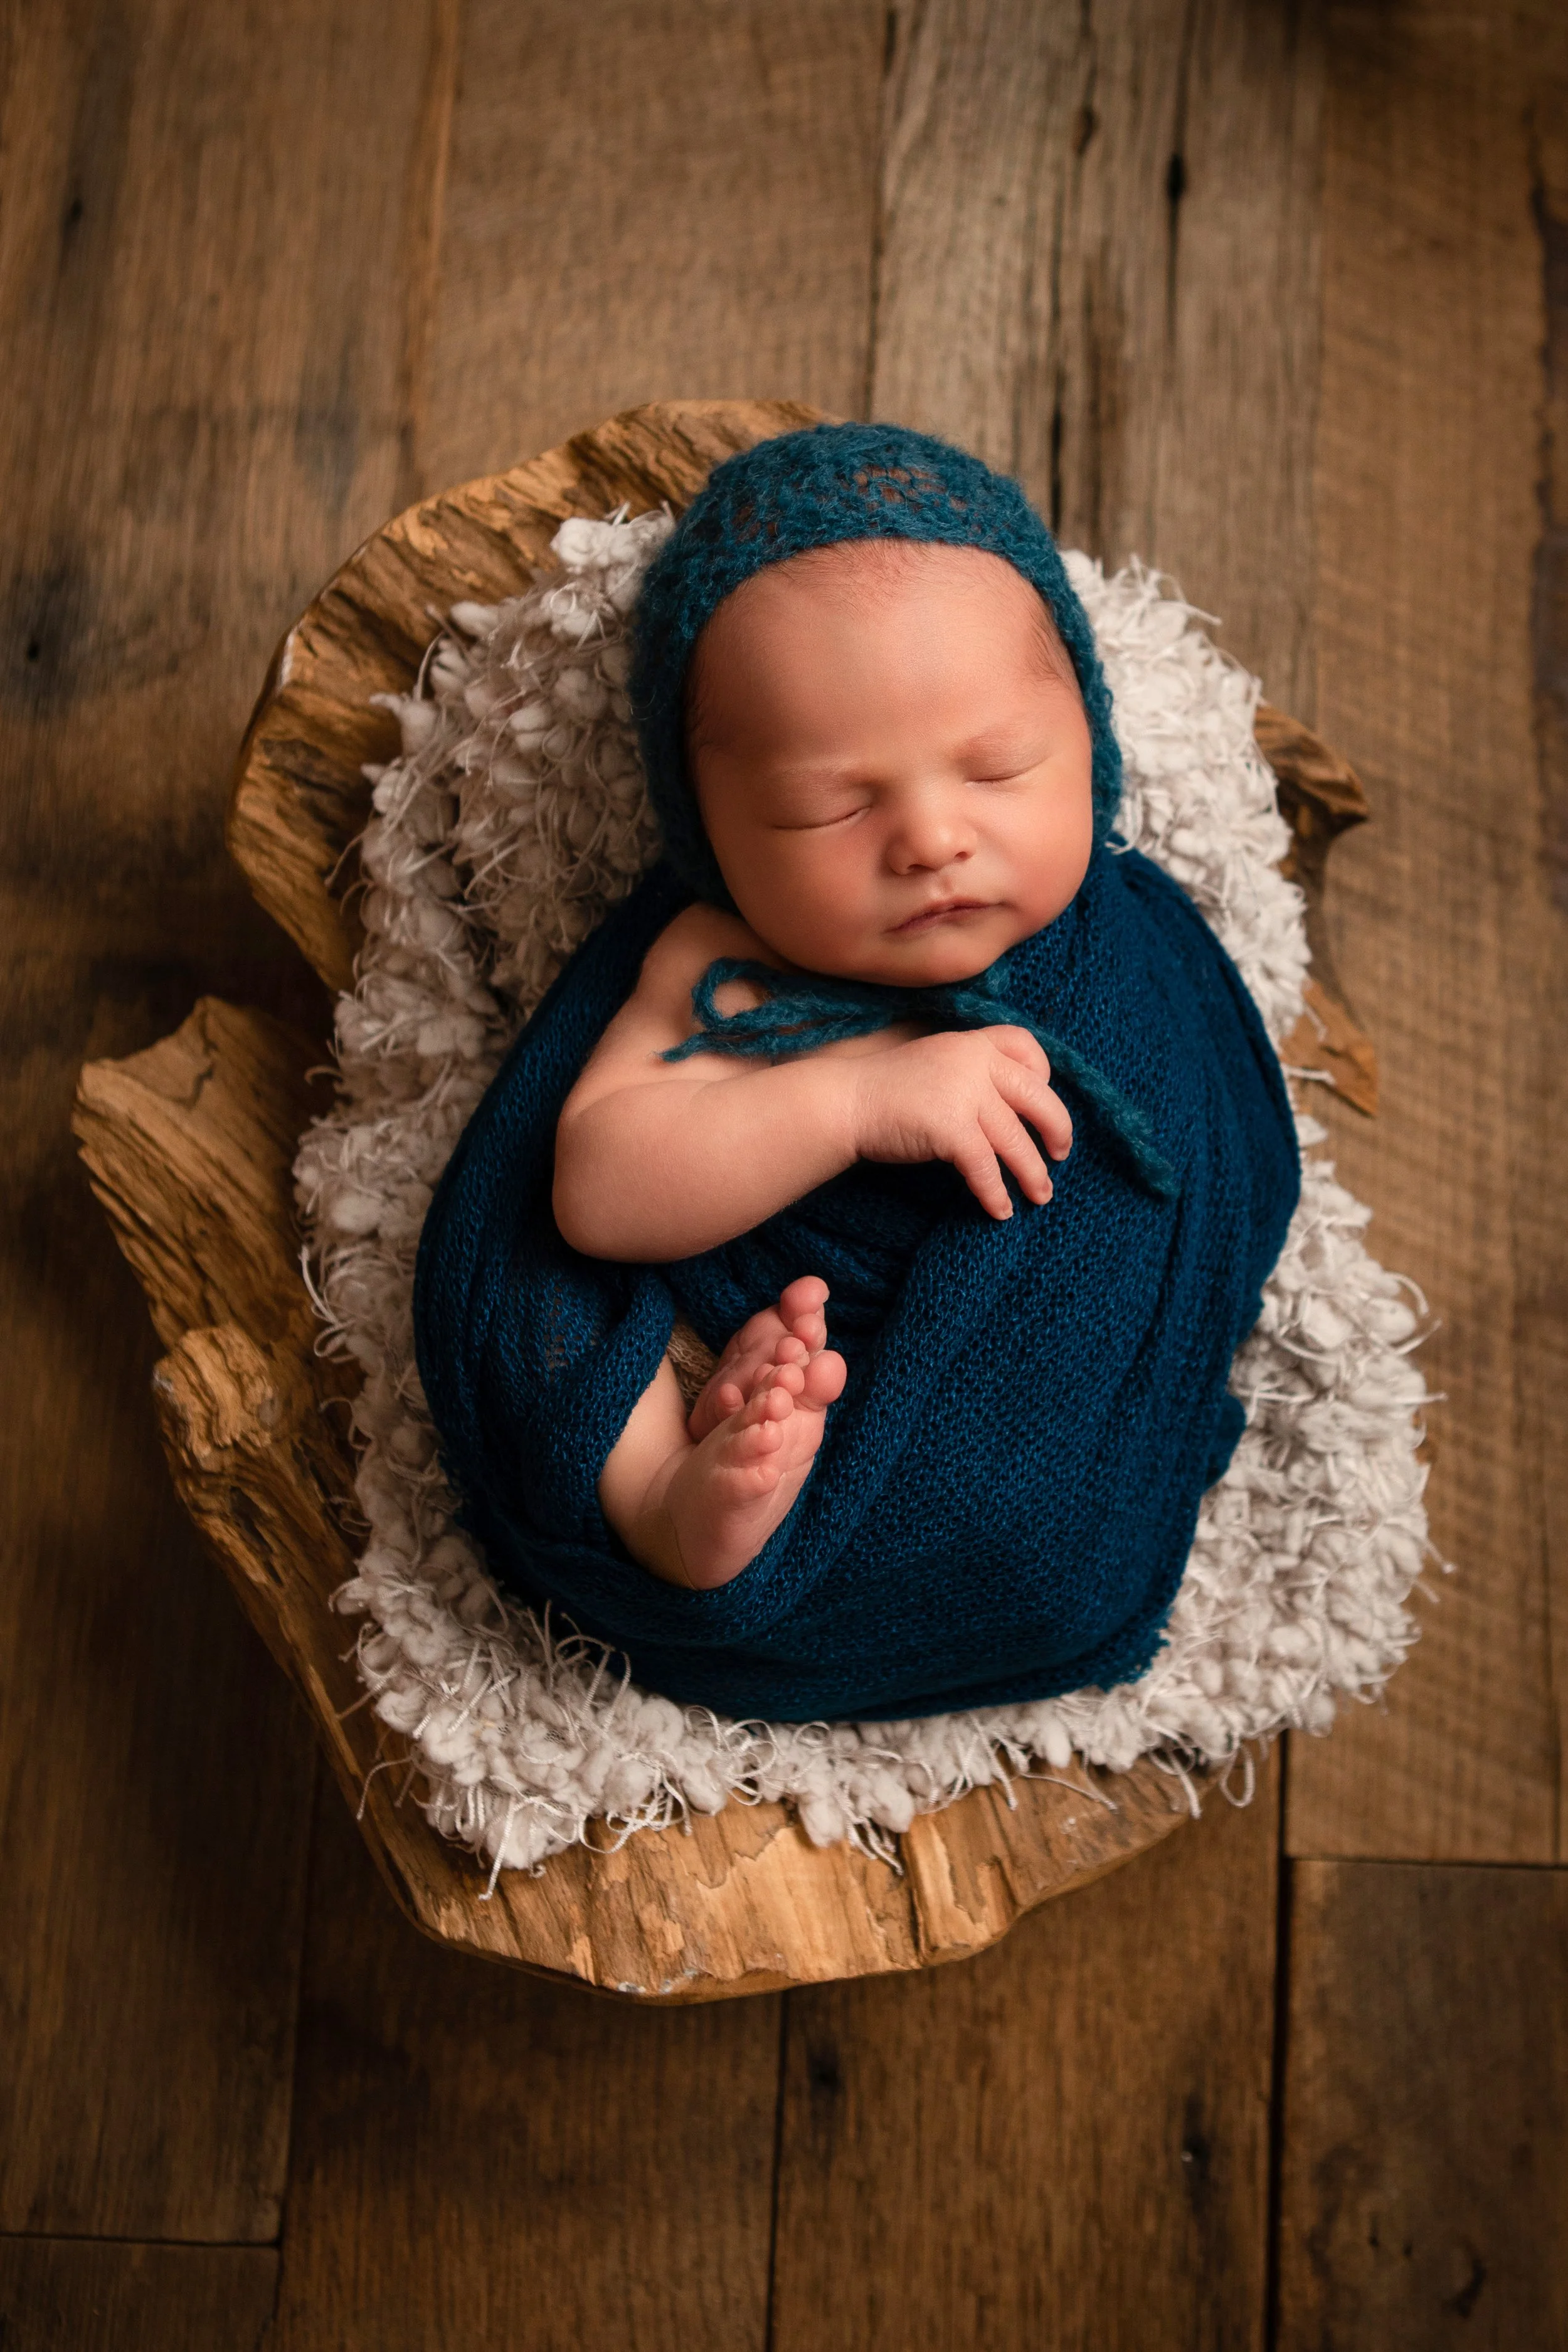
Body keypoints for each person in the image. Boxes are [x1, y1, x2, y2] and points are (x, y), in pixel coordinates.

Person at [413, 425, 1300, 1724]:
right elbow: (596, 1192)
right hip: (712, 1334)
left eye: (998, 770)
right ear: (705, 827)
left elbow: (1214, 1186)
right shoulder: (720, 964)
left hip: (1011, 1449)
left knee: (1069, 1462)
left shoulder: (1136, 962)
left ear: (1091, 743)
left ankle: (969, 1545)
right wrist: (845, 1103)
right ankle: (673, 1504)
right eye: (829, 809)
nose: (932, 839)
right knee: (545, 1334)